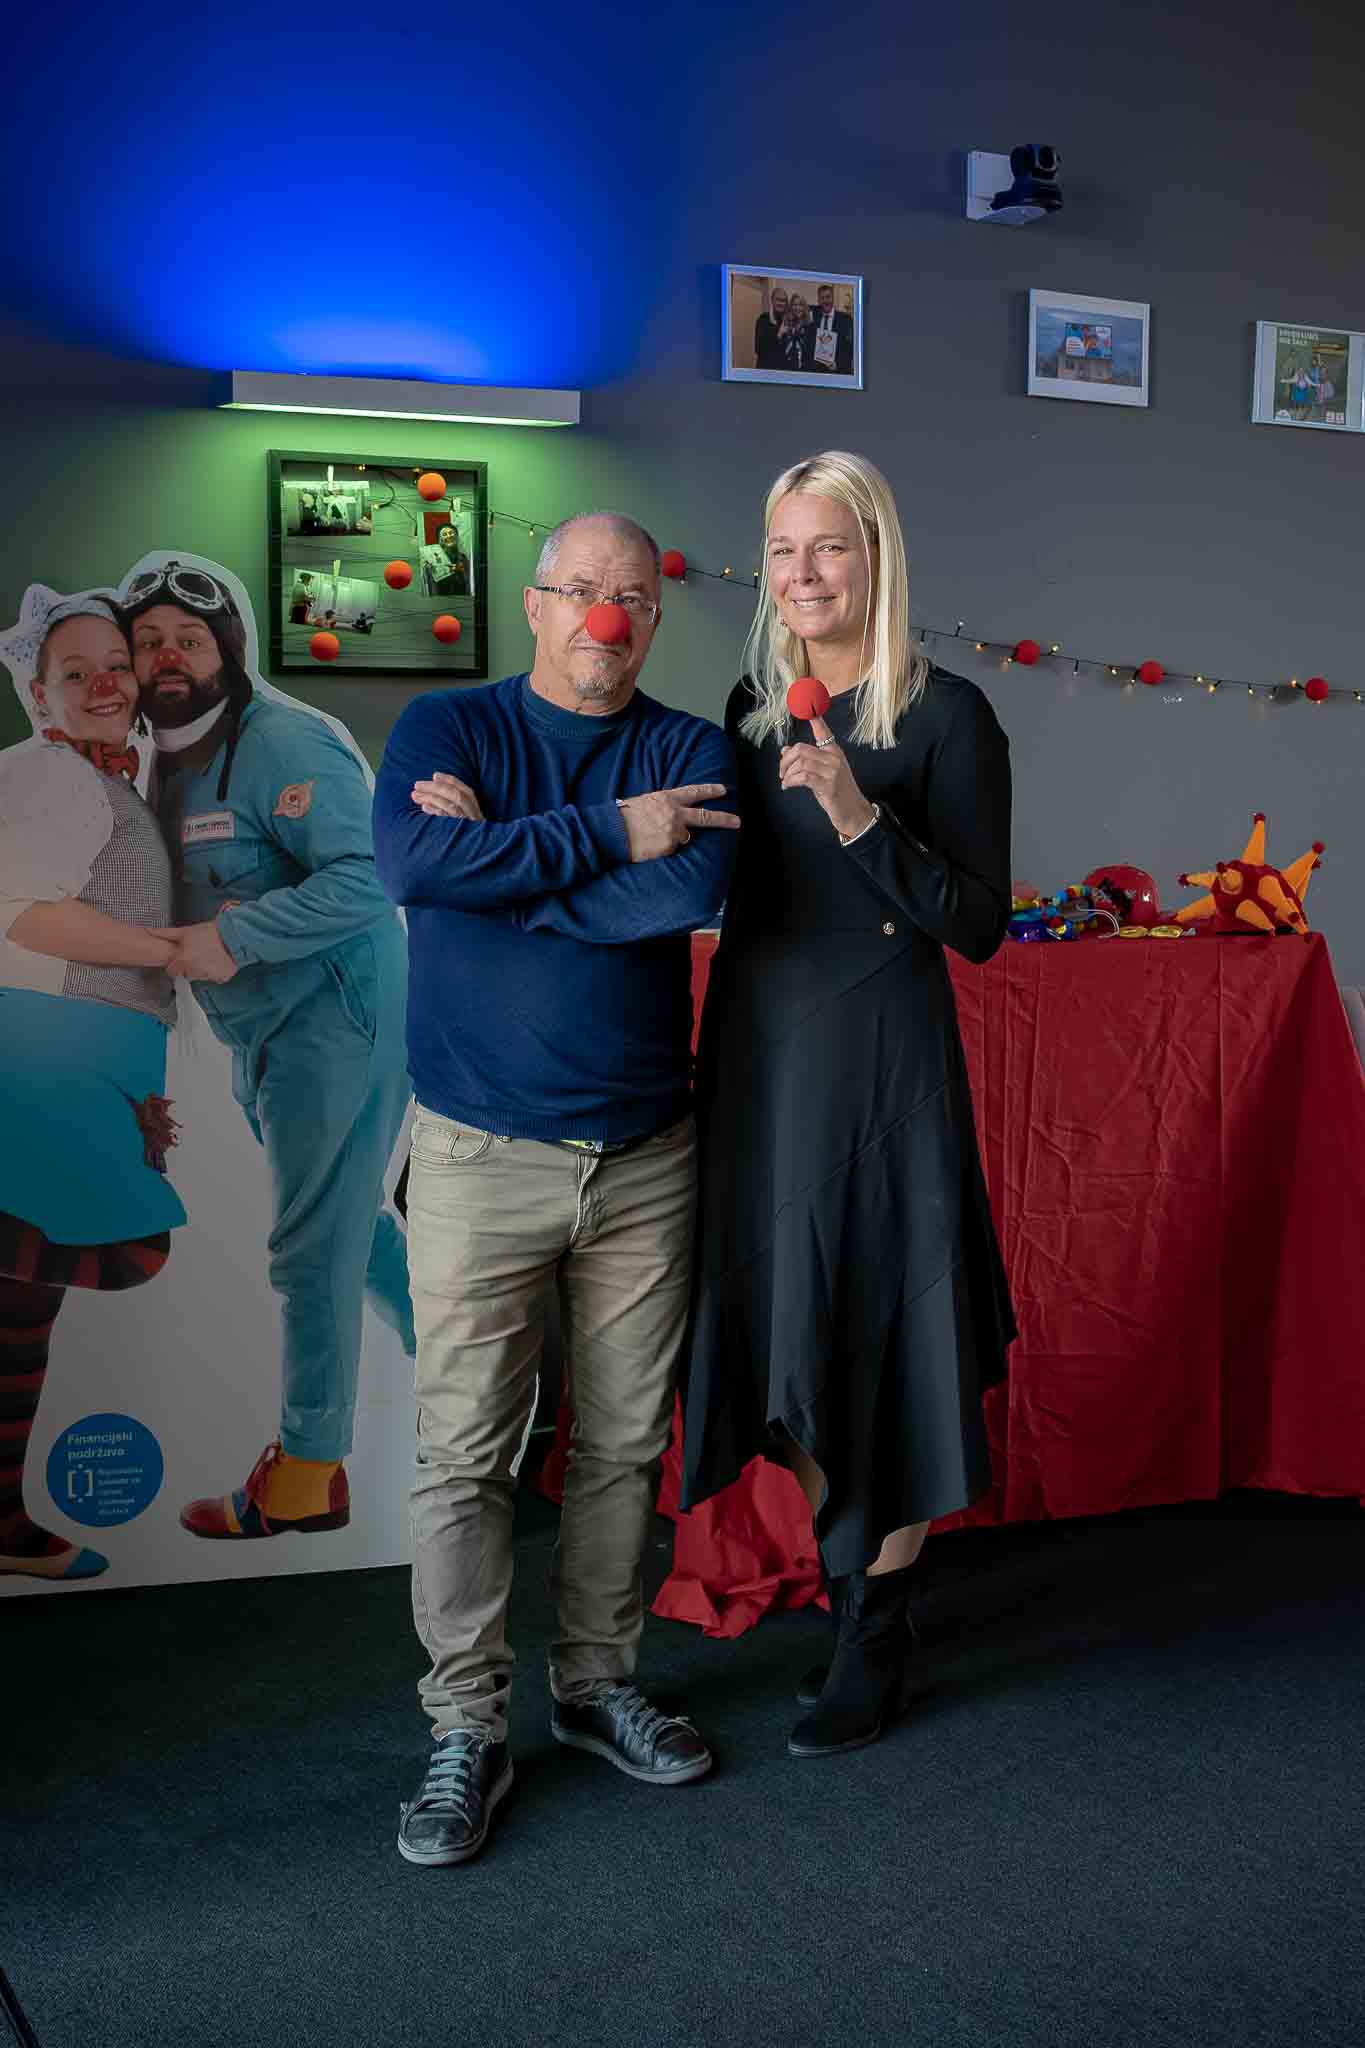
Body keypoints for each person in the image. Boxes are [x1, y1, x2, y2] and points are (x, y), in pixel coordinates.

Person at [373, 511, 740, 1867]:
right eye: (580, 589)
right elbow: (413, 867)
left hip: (645, 1157)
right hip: (476, 1154)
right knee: (466, 1455)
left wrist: (506, 866)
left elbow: (679, 896)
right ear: (532, 605)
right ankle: (465, 1724)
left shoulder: (693, 751)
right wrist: (607, 831)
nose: (605, 615)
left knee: (624, 1444)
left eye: (631, 594)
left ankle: (593, 1686)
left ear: (656, 616)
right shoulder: (447, 727)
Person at [680, 450, 1016, 1759]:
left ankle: (874, 1626)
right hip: (763, 1055)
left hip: (883, 1062)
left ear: (876, 557)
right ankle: (845, 1572)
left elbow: (977, 924)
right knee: (791, 1324)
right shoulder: (751, 705)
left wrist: (862, 818)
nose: (801, 572)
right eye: (783, 549)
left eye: (827, 546)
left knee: (882, 1324)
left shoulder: (948, 716)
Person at [121, 552, 415, 1544]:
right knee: (348, 1225)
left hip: (338, 1016)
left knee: (310, 1245)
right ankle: (462, 1377)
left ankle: (307, 1472)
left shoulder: (286, 741)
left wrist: (236, 936)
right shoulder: (154, 758)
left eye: (189, 639)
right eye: (149, 641)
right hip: (258, 1031)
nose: (169, 656)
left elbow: (370, 875)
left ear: (228, 649)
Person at [0, 587, 187, 1581]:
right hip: (50, 1050)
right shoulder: (52, 777)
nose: (106, 683)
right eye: (78, 673)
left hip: (85, 1048)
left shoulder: (104, 776)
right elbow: (21, 913)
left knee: (25, 1302)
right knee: (43, 1275)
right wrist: (173, 949)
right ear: (41, 694)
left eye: (116, 663)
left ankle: (3, 1520)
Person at [810, 284, 854, 376]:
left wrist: (838, 365)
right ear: (818, 300)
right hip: (816, 372)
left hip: (837, 372)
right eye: (822, 298)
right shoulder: (813, 317)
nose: (825, 301)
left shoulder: (845, 319)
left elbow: (850, 348)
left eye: (828, 297)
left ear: (833, 298)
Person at [754, 285, 790, 370]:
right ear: (772, 300)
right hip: (766, 369)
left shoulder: (787, 321)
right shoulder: (763, 319)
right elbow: (758, 349)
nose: (781, 303)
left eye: (784, 301)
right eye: (778, 300)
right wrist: (778, 334)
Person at [781, 293, 814, 373]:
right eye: (795, 305)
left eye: (800, 305)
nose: (797, 308)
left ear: (804, 307)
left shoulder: (810, 327)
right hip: (786, 369)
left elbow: (812, 352)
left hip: (805, 370)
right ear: (791, 307)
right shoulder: (786, 324)